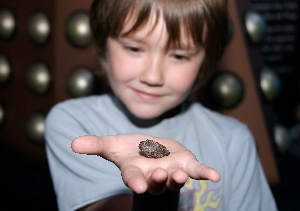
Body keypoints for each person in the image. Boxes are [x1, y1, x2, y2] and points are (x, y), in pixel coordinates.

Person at [45, 0, 277, 210]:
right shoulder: (75, 124)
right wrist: (156, 197)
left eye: (179, 56)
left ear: (205, 60)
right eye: (134, 48)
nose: (153, 77)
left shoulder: (234, 140)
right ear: (103, 42)